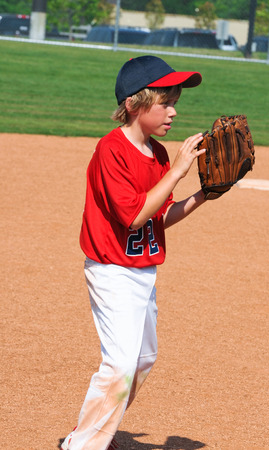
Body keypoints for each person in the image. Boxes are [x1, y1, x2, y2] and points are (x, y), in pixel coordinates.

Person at [61, 55, 206, 450]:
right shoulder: (111, 150)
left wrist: (205, 194)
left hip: (143, 271)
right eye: (165, 101)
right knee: (121, 362)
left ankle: (97, 433)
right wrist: (177, 170)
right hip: (110, 270)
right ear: (133, 104)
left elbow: (160, 216)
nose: (173, 110)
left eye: (175, 100)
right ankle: (84, 444)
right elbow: (136, 216)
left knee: (142, 360)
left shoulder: (158, 155)